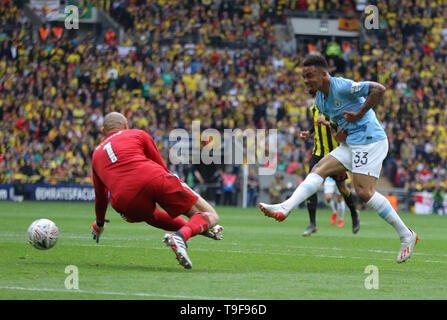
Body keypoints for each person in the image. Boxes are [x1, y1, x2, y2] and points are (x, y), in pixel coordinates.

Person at [259, 55, 418, 264]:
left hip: (370, 140)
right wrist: (338, 132)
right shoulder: (319, 100)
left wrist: (359, 114)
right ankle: (285, 207)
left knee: (365, 192)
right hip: (351, 141)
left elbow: (379, 89)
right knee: (318, 168)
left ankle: (407, 235)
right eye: (303, 77)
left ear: (324, 74)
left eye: (310, 76)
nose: (306, 80)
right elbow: (339, 123)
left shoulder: (342, 86)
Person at [91, 112, 223, 269]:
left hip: (124, 201)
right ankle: (182, 236)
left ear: (102, 130)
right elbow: (162, 167)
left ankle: (195, 229)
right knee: (211, 215)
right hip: (152, 176)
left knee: (151, 215)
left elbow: (100, 197)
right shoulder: (137, 134)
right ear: (126, 126)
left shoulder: (96, 155)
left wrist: (99, 224)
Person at [299, 104, 360, 236]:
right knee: (310, 187)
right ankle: (312, 224)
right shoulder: (313, 108)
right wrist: (309, 133)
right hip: (317, 154)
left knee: (343, 189)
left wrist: (326, 123)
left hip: (335, 155)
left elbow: (342, 129)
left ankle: (354, 214)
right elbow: (316, 125)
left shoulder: (335, 107)